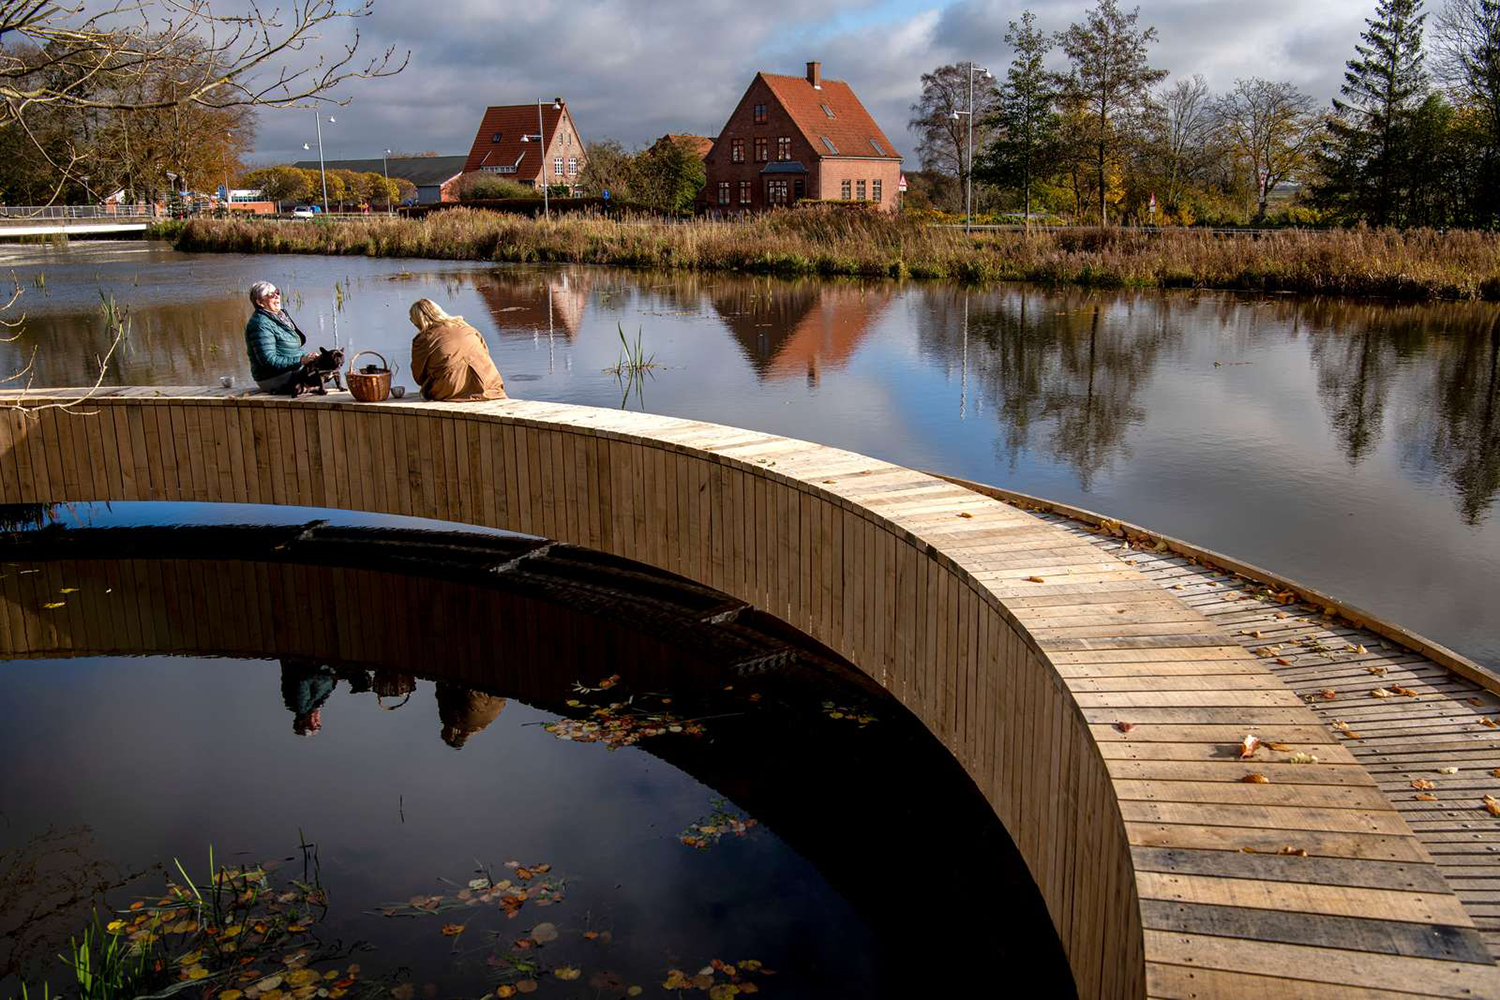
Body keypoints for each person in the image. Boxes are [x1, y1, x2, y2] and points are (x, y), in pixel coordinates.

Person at [408, 298, 507, 401]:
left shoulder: (423, 340)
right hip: (490, 386)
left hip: (452, 391)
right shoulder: (467, 327)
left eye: (412, 320)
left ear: (417, 320)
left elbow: (419, 377)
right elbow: (485, 353)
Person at [245, 281, 317, 393]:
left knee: (328, 370)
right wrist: (301, 360)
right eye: (271, 294)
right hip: (273, 378)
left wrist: (309, 357)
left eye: (277, 292)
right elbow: (269, 361)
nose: (277, 296)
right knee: (327, 384)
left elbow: (291, 349)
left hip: (292, 371)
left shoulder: (280, 316)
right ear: (260, 302)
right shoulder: (260, 324)